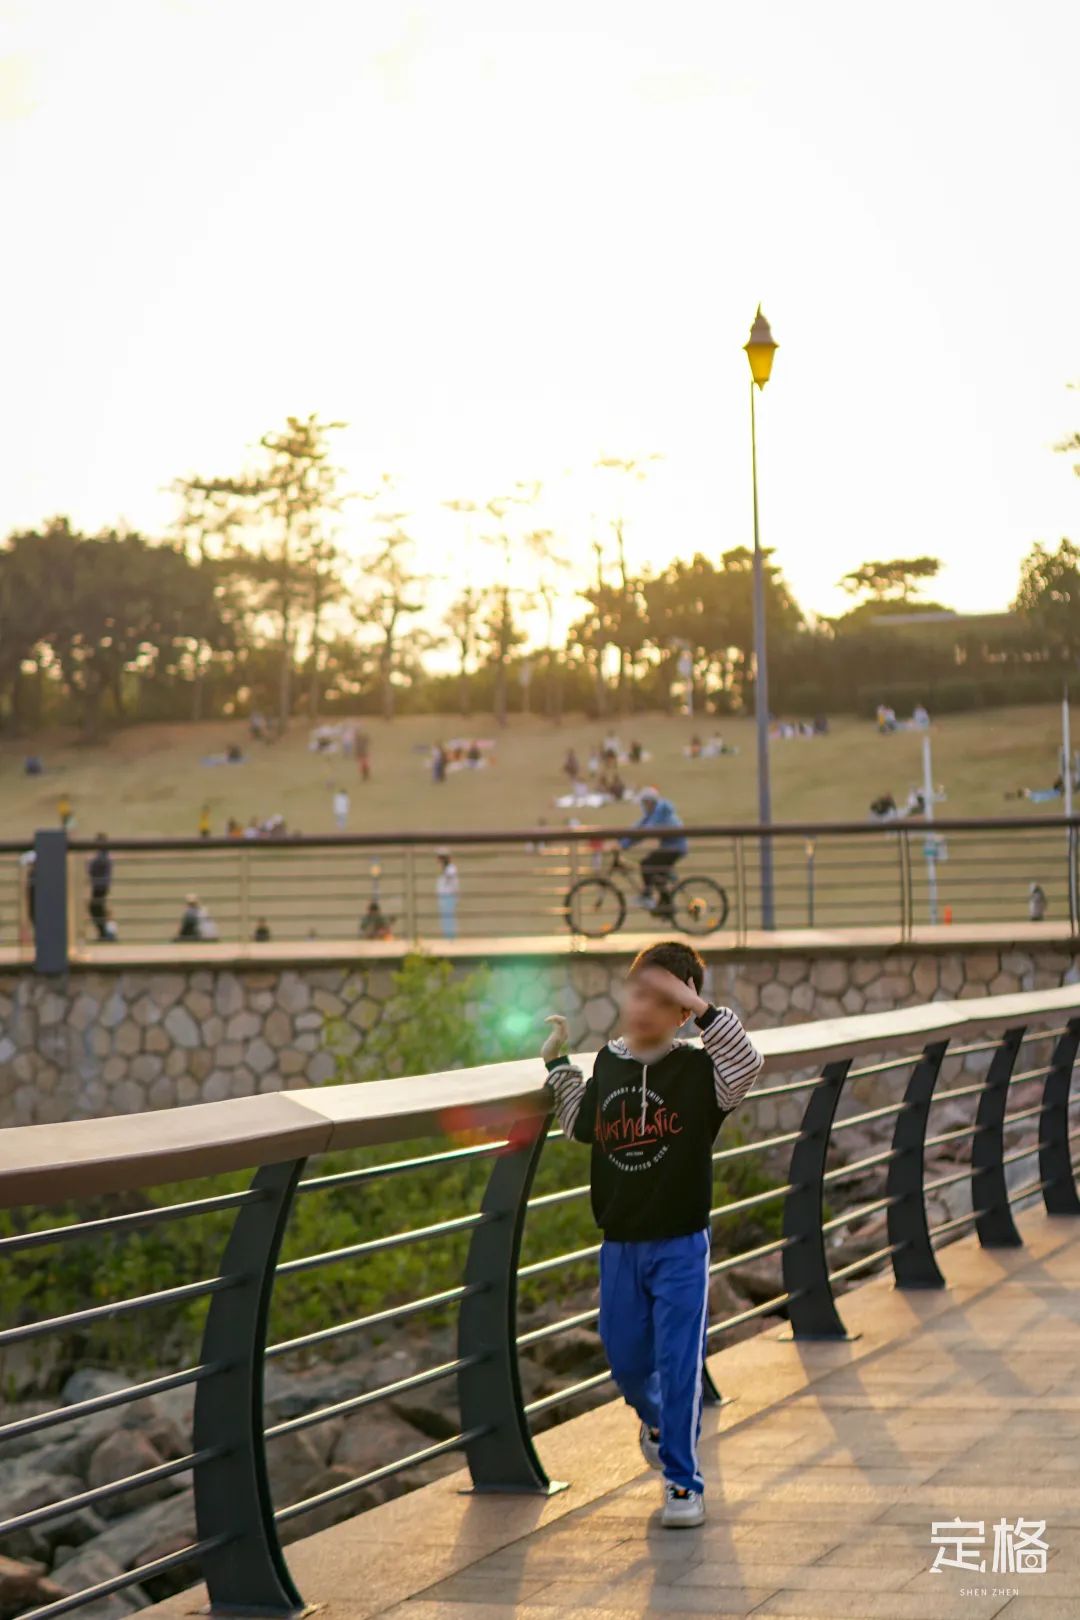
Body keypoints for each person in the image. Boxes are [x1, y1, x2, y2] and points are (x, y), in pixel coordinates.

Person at [540, 940, 763, 1528]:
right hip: (620, 1242)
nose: (643, 1007)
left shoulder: (700, 1072)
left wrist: (703, 1007)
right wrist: (557, 1066)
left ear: (684, 1012)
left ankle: (683, 1483)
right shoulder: (608, 1063)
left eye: (662, 998)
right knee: (626, 1360)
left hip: (681, 1242)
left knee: (679, 1361)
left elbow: (747, 1063)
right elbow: (581, 1125)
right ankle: (658, 1422)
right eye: (638, 992)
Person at [621, 787, 688, 915]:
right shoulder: (654, 812)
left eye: (644, 803)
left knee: (647, 864)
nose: (643, 806)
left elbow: (644, 831)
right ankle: (666, 906)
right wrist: (622, 840)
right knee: (658, 875)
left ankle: (647, 897)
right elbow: (638, 827)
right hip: (671, 847)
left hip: (675, 848)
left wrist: (625, 844)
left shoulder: (660, 813)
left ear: (650, 802)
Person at [87, 834, 113, 942]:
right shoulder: (105, 855)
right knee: (98, 908)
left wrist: (88, 864)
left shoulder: (102, 856)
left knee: (95, 907)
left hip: (100, 885)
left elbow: (91, 867)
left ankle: (104, 933)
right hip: (101, 885)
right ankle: (104, 933)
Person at [436, 850, 459, 939]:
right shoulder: (445, 869)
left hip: (449, 896)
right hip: (444, 897)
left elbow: (454, 884)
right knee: (446, 918)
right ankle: (447, 937)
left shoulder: (451, 869)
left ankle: (450, 937)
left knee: (448, 918)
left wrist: (455, 896)